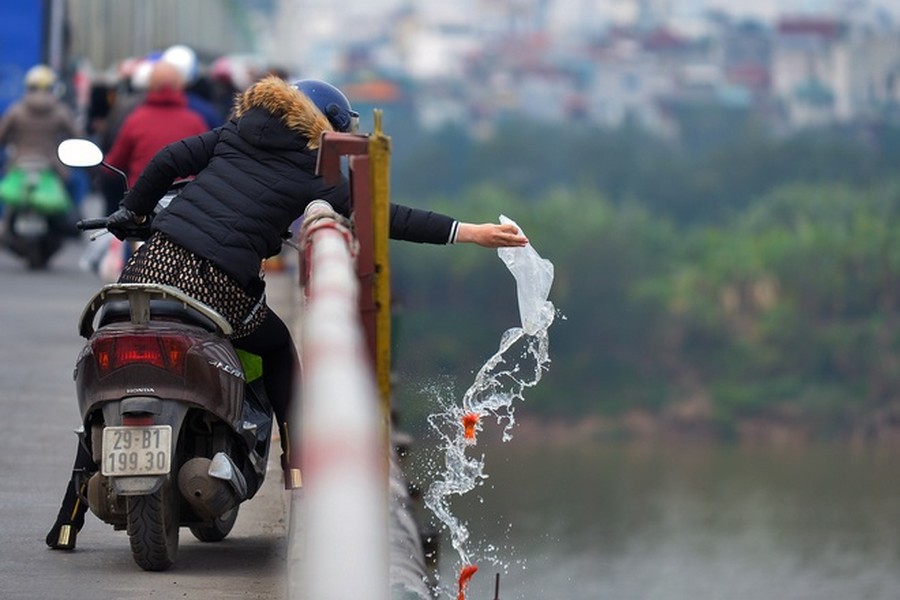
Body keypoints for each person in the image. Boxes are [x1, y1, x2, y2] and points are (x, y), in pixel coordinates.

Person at [45, 75, 526, 549]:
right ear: (328, 130)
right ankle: (298, 469)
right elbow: (383, 215)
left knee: (113, 365)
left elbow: (170, 159)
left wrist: (131, 213)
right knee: (277, 348)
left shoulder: (235, 132)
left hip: (150, 270)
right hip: (216, 288)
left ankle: (68, 519)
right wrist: (468, 231)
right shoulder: (315, 172)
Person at [0, 65, 80, 236]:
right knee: (74, 186)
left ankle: (5, 226)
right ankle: (76, 224)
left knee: (7, 198)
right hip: (51, 164)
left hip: (19, 162)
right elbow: (76, 135)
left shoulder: (16, 110)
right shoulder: (60, 111)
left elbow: (2, 135)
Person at [104, 59, 208, 187]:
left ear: (151, 84)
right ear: (180, 85)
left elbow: (114, 164)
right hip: (185, 200)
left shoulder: (136, 120)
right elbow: (208, 165)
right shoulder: (195, 122)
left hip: (142, 200)